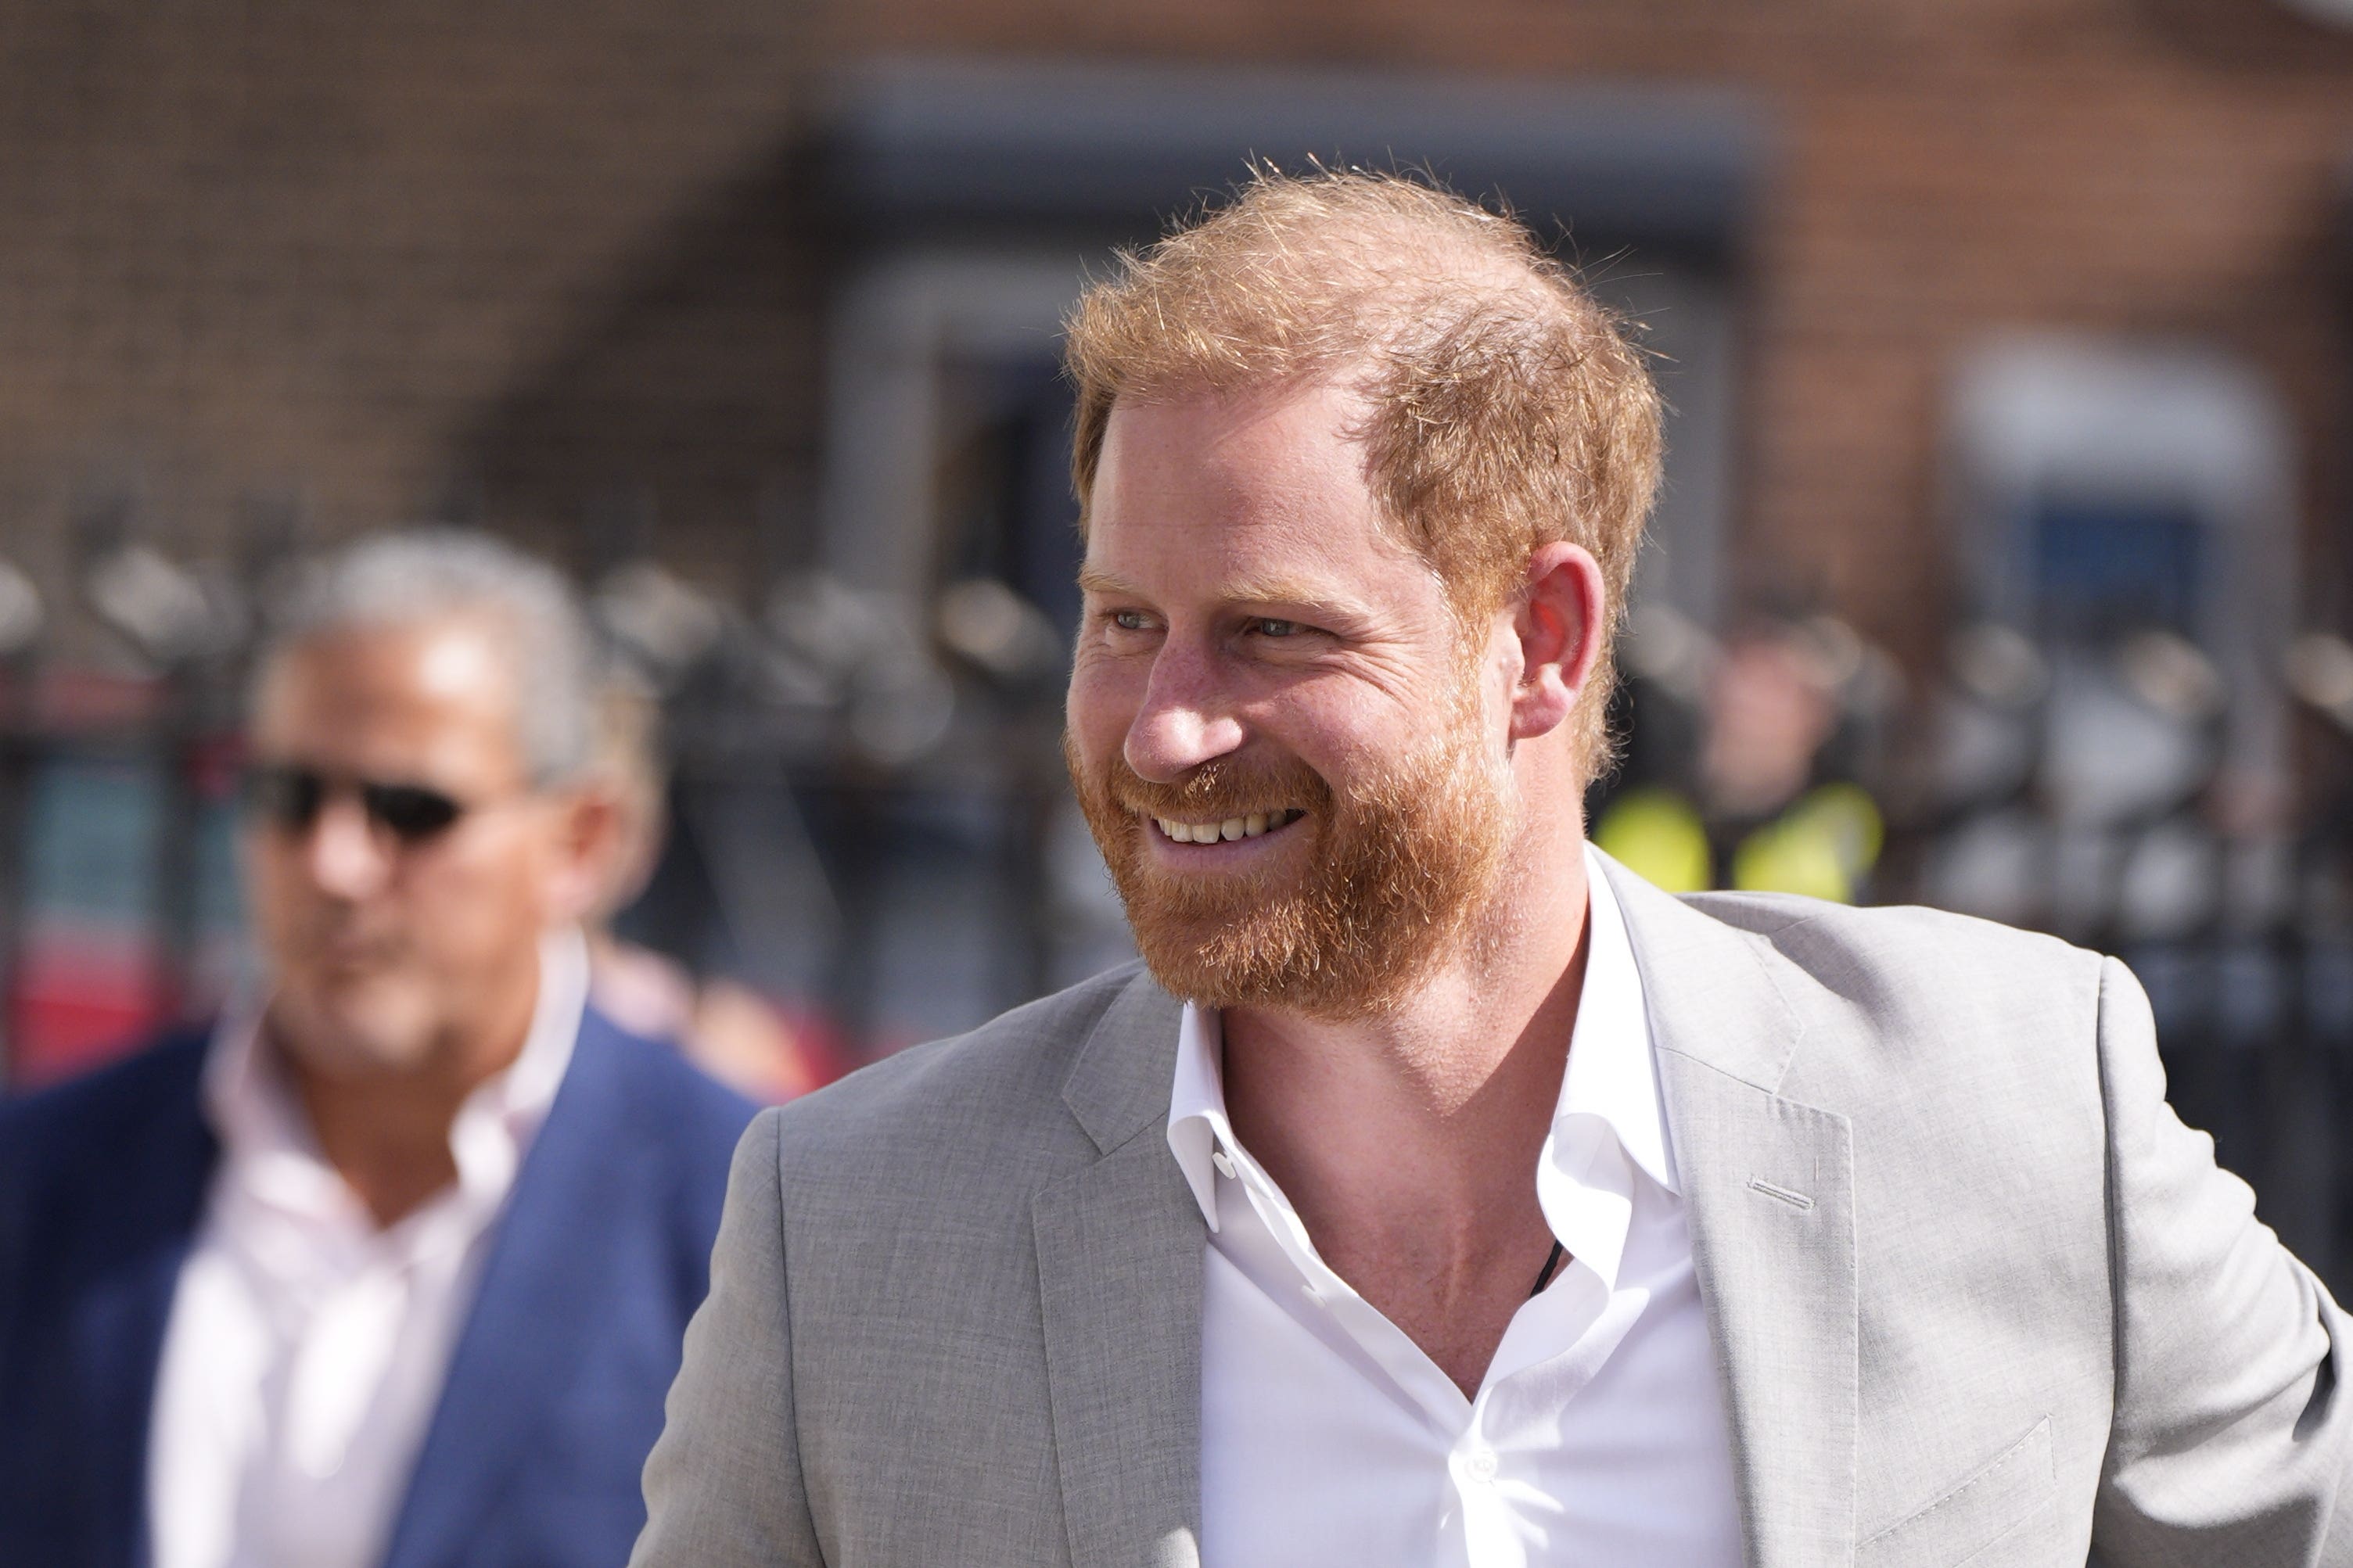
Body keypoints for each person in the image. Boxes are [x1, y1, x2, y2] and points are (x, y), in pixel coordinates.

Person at [631, 170, 2353, 1567]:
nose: (1161, 730)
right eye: (1124, 623)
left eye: (1272, 632)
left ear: (1540, 638)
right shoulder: (855, 1233)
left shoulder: (2010, 1112)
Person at [0, 529, 756, 1567]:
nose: (336, 862)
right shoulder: (44, 1177)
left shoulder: (741, 1215)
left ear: (579, 840)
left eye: (411, 810)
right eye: (289, 797)